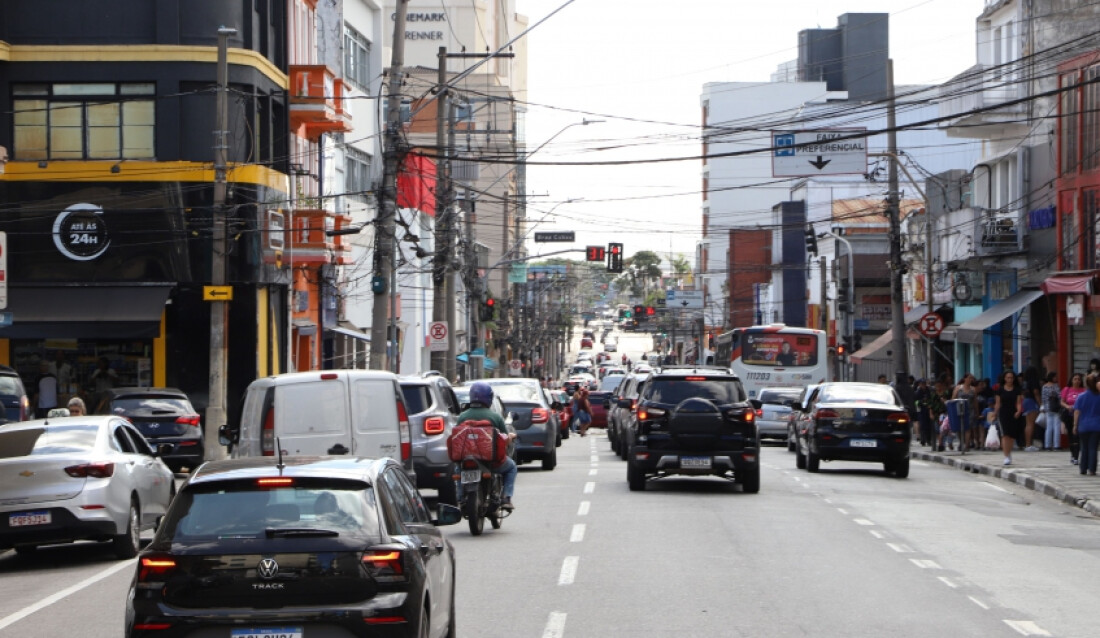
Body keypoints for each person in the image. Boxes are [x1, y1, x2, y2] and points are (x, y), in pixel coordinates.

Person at [456, 382, 518, 510]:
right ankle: (506, 498)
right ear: (488, 398)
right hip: (492, 462)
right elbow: (505, 439)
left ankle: (460, 498)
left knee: (458, 470)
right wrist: (511, 436)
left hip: (467, 459)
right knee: (511, 467)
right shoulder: (495, 417)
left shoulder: (462, 416)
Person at [994, 370, 1024, 466]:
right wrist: (995, 413)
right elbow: (998, 403)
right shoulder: (1000, 390)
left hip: (1013, 413)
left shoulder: (1017, 390)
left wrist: (1019, 411)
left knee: (1011, 436)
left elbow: (1019, 403)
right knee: (1005, 435)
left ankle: (1008, 452)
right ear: (1004, 378)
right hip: (1003, 413)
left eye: (1011, 378)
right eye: (1008, 377)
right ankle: (1006, 456)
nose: (1010, 379)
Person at [1072, 372, 1100, 476]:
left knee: (1084, 448)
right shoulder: (1098, 397)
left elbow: (1077, 412)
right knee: (1093, 447)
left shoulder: (1081, 396)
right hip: (1096, 426)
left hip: (1083, 426)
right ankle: (1092, 469)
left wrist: (1075, 425)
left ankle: (1083, 468)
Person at [1061, 372, 1087, 465]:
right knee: (1071, 436)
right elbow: (1062, 401)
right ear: (1071, 380)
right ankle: (1073, 454)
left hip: (1080, 416)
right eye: (1075, 379)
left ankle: (1076, 456)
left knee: (1077, 436)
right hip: (1069, 415)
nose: (1077, 381)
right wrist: (1067, 406)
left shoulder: (1083, 390)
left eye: (1079, 379)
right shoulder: (1067, 389)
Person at [1021, 366, 1042, 451]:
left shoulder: (1025, 382)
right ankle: (1029, 444)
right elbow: (1036, 392)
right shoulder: (1034, 381)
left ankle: (1027, 444)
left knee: (1028, 423)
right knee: (1031, 424)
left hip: (1025, 401)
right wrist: (1041, 404)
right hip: (1032, 401)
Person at [1041, 372, 1061, 451]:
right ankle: (1056, 445)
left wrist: (1043, 407)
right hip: (1055, 408)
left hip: (1047, 408)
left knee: (1048, 427)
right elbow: (1059, 396)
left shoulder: (1044, 387)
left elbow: (1043, 398)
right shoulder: (1055, 386)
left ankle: (1047, 445)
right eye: (1055, 377)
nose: (1056, 378)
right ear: (1052, 377)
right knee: (1056, 427)